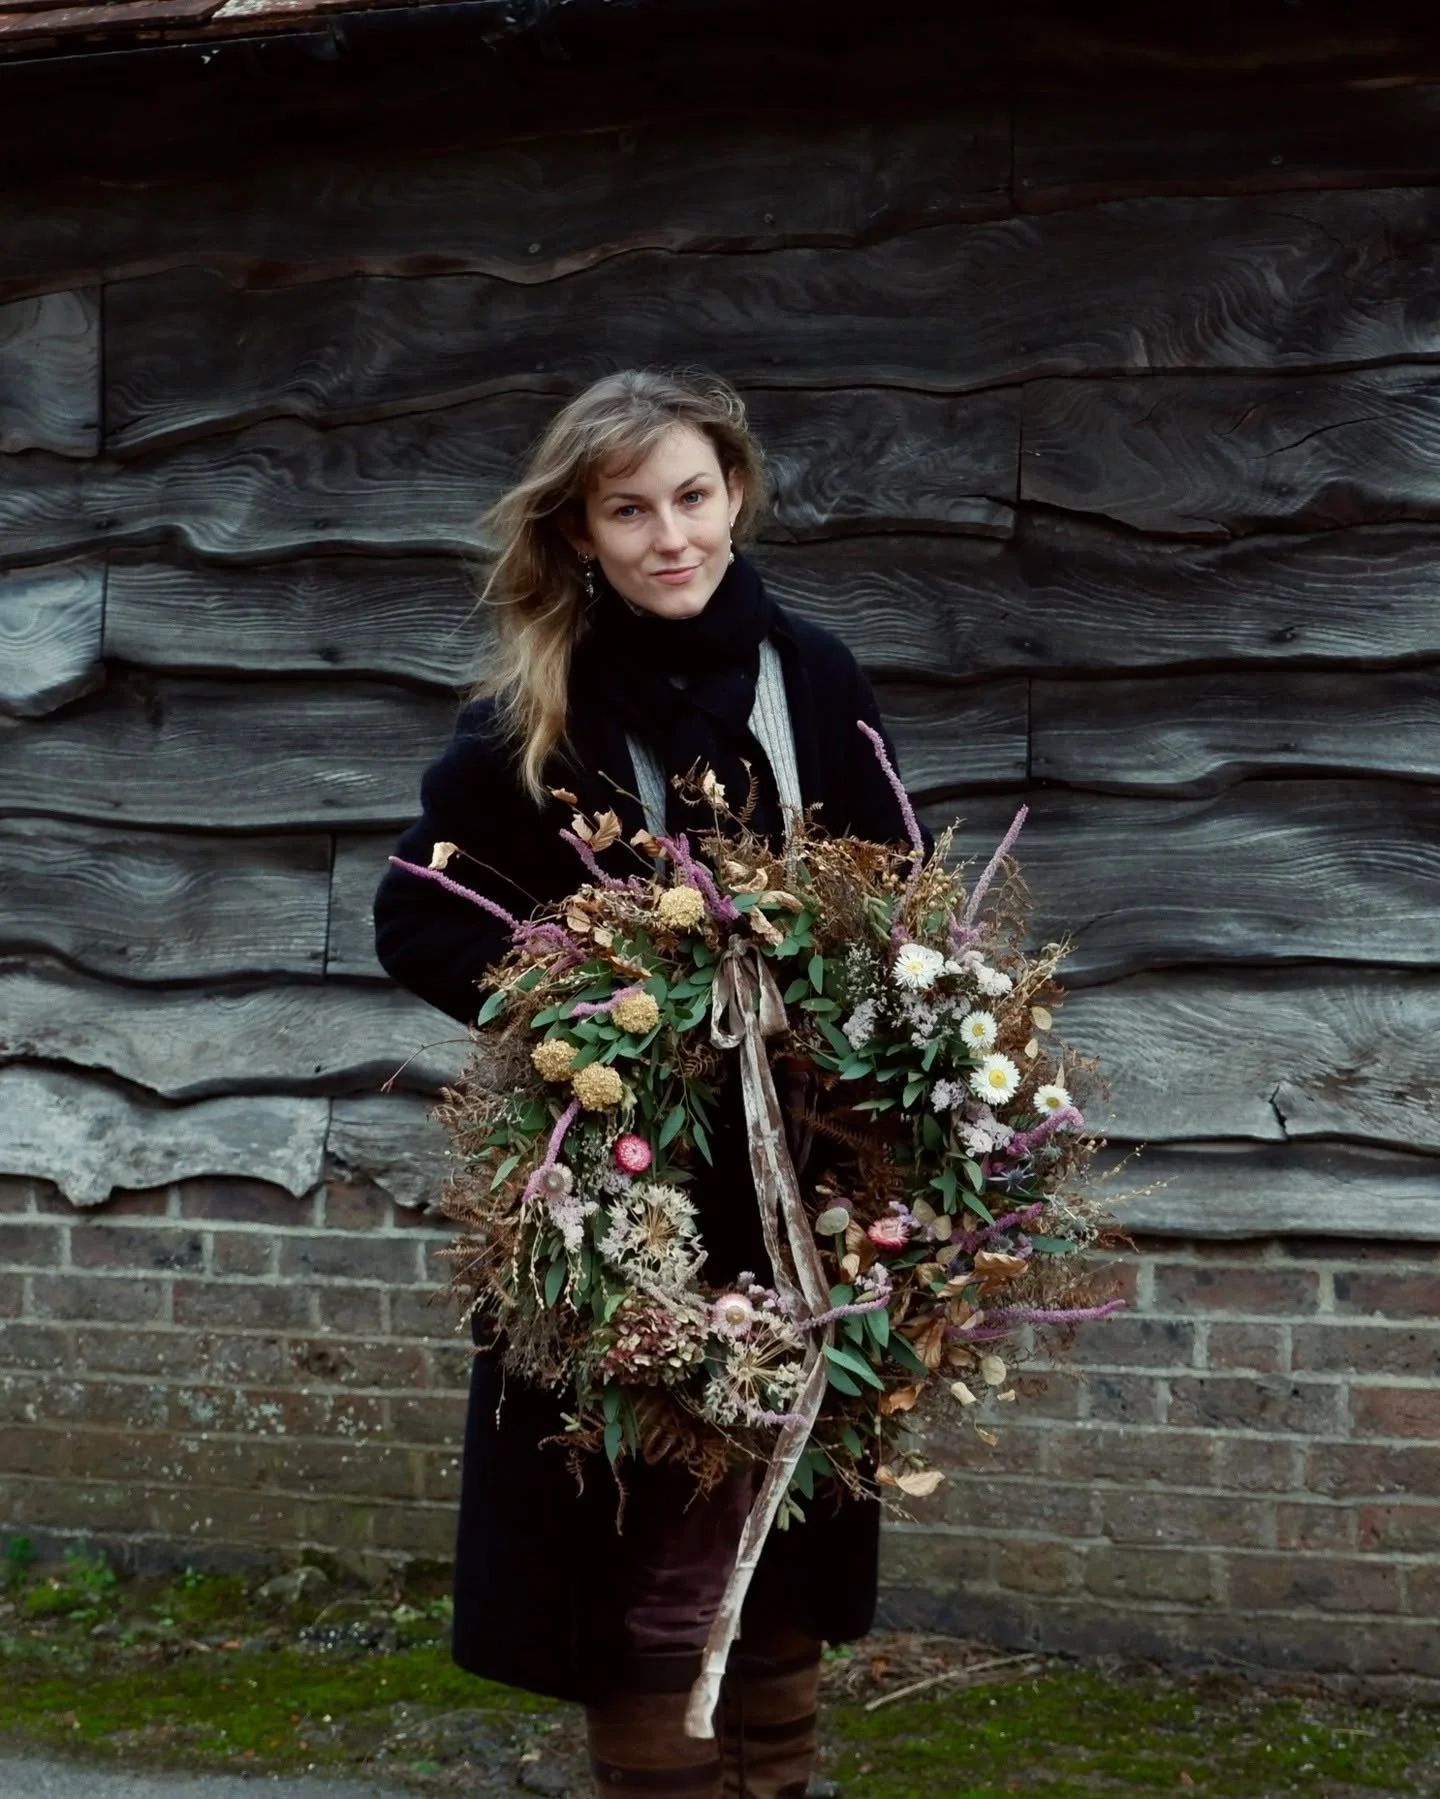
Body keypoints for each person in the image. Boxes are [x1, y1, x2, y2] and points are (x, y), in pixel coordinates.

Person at [373, 368, 920, 1799]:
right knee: (636, 1564)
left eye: (693, 495)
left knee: (783, 1536)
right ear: (578, 532)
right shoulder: (534, 713)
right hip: (621, 1207)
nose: (671, 535)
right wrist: (594, 1008)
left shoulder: (816, 677)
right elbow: (419, 914)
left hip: (805, 1190)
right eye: (630, 509)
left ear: (734, 490)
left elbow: (903, 902)